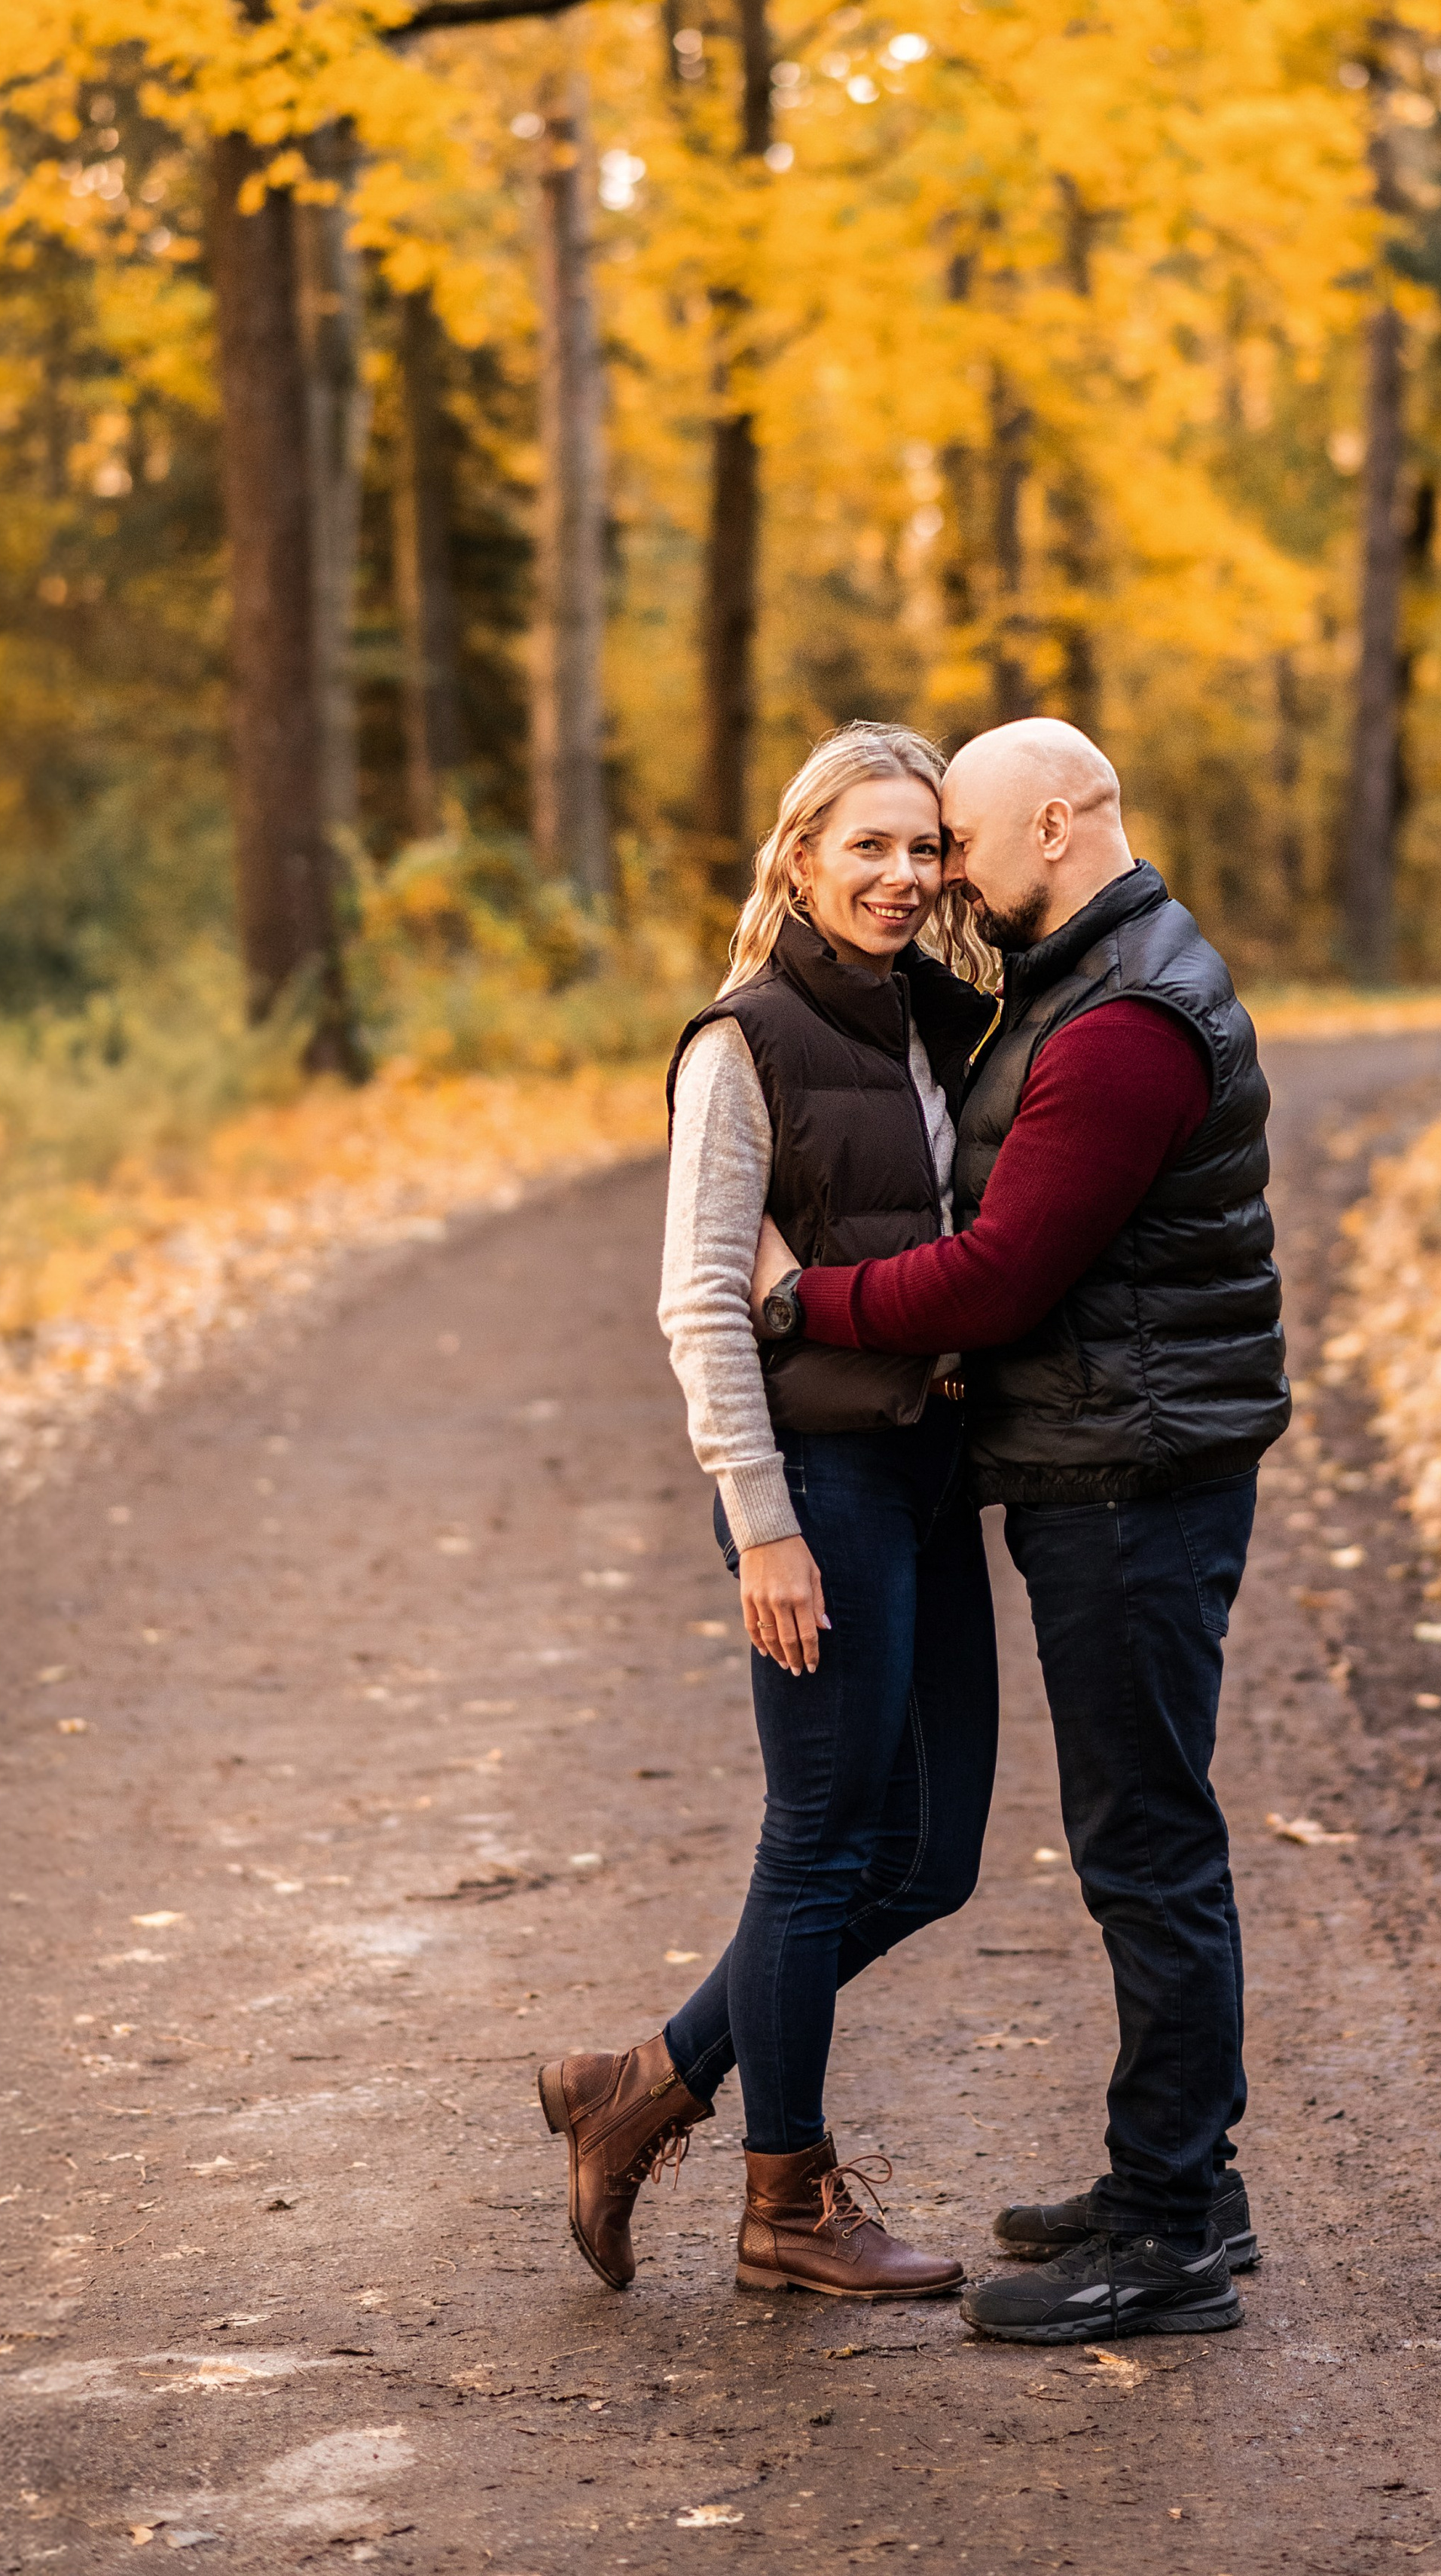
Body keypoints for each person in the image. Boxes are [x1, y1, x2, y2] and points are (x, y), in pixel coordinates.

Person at [750, 718, 1289, 2344]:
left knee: (1144, 1846)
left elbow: (996, 1274)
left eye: (962, 844)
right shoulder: (1086, 973)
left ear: (1054, 824)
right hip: (1111, 1461)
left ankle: (1171, 2231)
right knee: (1144, 1835)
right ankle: (1176, 2179)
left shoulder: (1123, 1018)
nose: (946, 878)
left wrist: (800, 1297)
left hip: (1130, 1480)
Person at [538, 722, 1000, 2303]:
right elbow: (697, 1304)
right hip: (816, 1484)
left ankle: (644, 2084)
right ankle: (783, 2204)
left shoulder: (928, 1021)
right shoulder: (743, 1041)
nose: (900, 873)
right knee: (820, 1844)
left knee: (931, 1853)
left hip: (927, 1471)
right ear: (799, 856)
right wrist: (763, 1523)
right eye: (866, 844)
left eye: (923, 846)